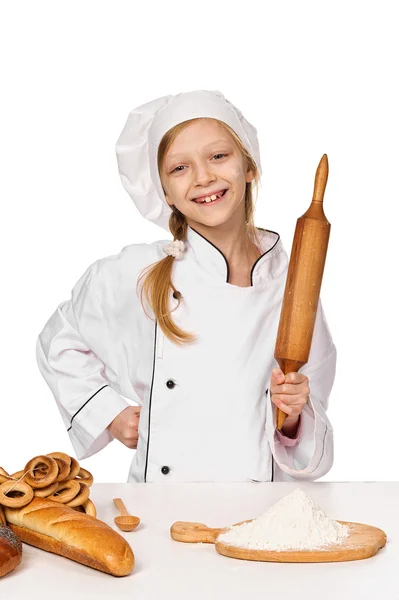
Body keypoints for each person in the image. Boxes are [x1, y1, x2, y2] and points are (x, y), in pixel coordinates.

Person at [36, 90, 336, 483]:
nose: (203, 177)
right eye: (180, 168)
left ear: (249, 166)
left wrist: (295, 412)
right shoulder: (139, 271)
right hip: (162, 505)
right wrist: (107, 413)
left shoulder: (292, 284)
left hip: (259, 511)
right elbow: (59, 339)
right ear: (164, 192)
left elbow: (305, 408)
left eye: (218, 156)